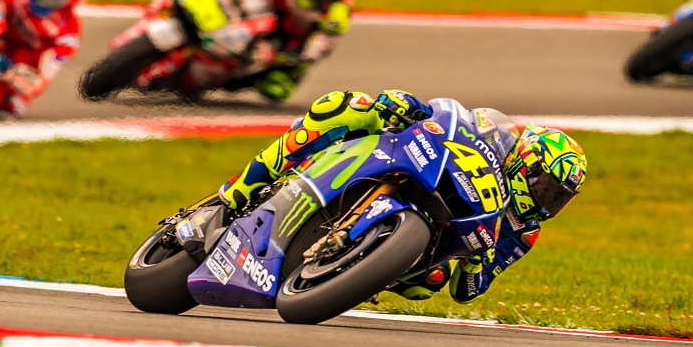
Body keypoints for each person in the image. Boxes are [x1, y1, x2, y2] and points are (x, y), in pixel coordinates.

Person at [216, 88, 587, 304]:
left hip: (440, 234)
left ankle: (358, 270)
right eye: (547, 189)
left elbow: (467, 291)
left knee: (432, 280)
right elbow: (451, 121)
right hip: (418, 165)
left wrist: (478, 260)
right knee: (349, 106)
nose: (547, 202)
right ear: (526, 164)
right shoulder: (496, 137)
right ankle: (243, 187)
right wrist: (410, 106)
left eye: (558, 198)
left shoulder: (523, 231)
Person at [177, 0, 357, 102]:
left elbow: (312, 52)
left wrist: (277, 57)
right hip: (266, 12)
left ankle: (233, 79)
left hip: (288, 40)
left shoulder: (336, 15)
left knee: (278, 88)